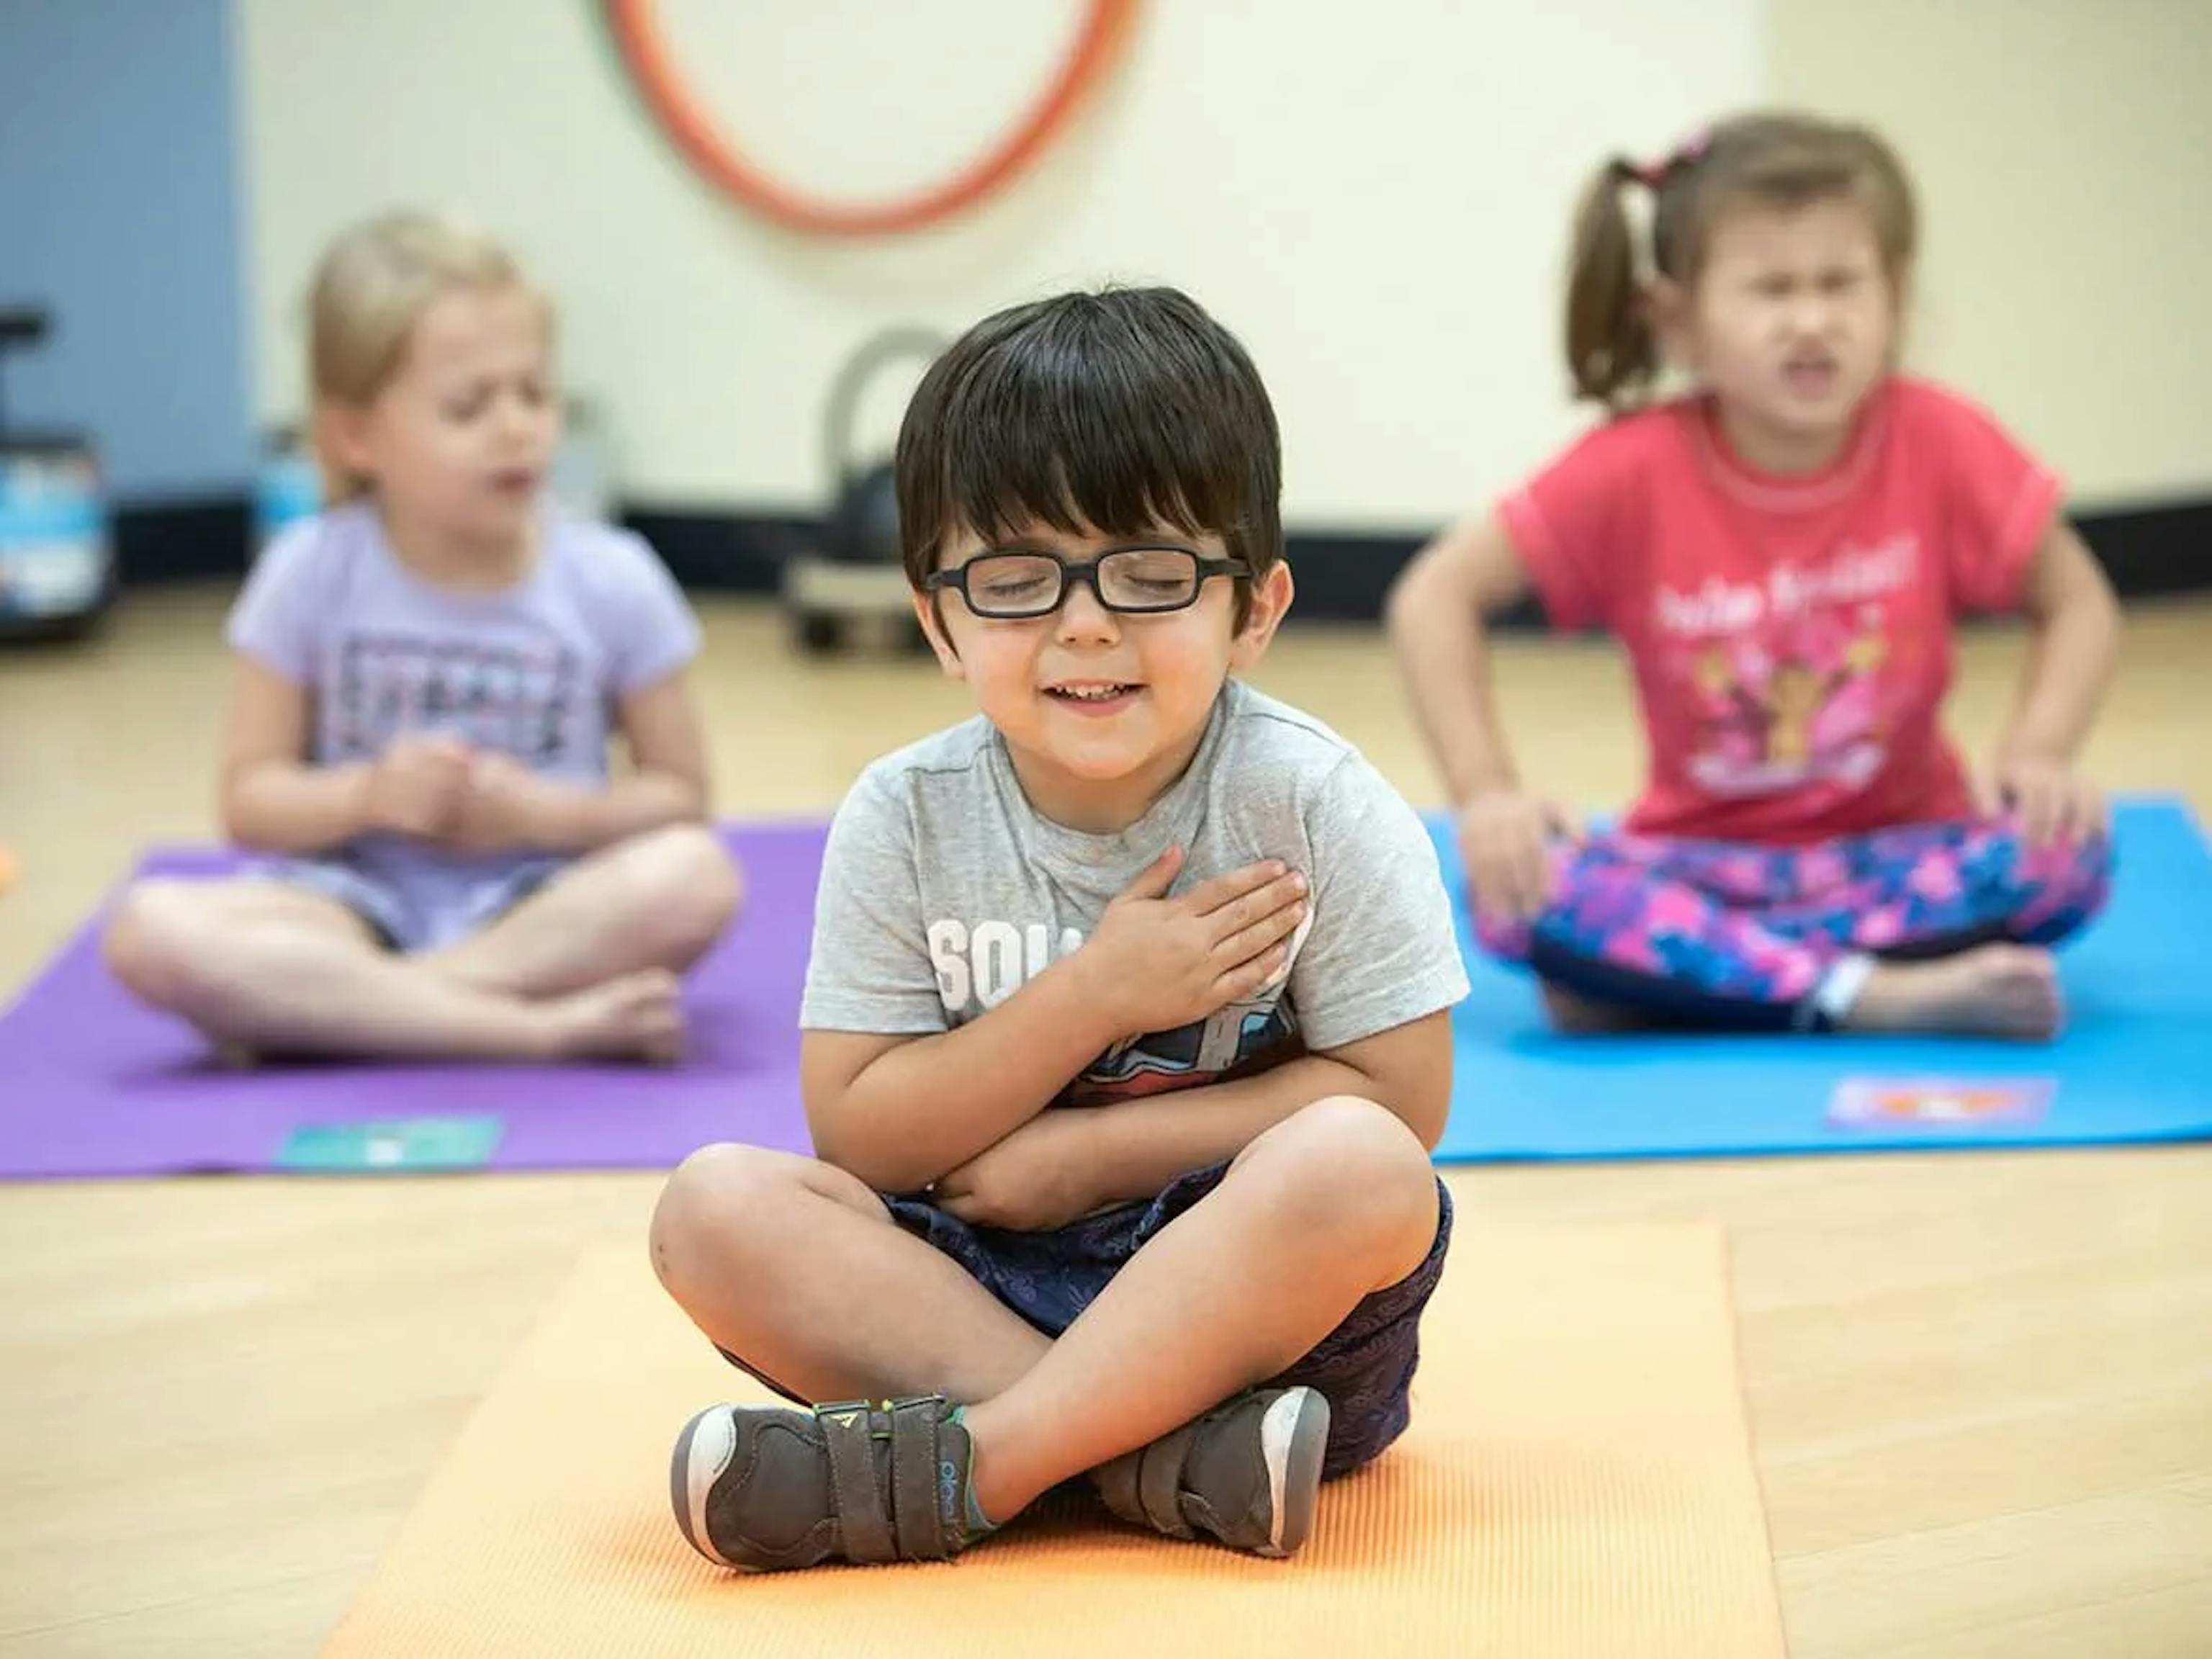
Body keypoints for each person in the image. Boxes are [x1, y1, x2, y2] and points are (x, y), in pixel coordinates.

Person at [649, 287, 1470, 1571]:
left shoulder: (1310, 798)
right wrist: (1093, 994)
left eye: (1150, 575)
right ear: (936, 619)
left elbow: (1403, 1095)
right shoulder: (904, 814)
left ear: (1252, 609)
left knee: (1365, 1167)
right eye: (1018, 579)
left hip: (1265, 1322)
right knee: (711, 1207)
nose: (1085, 622)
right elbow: (858, 1127)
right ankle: (1158, 1462)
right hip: (970, 1289)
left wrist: (1092, 1157)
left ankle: (988, 1460)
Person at [1389, 112, 2118, 1040]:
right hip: (1698, 866)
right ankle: (1872, 995)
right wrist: (1489, 793)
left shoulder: (1941, 439)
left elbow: (2078, 599)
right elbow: (1434, 597)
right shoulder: (1632, 469)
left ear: (1894, 296)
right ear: (1678, 320)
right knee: (1525, 895)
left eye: (1842, 283)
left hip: (1902, 858)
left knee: (2067, 854)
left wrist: (2040, 752)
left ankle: (1694, 978)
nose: (1813, 319)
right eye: (1772, 289)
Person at [103, 212, 739, 1064]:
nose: (518, 427)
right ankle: (524, 1031)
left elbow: (681, 797)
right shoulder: (308, 571)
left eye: (535, 393)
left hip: (539, 901)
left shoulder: (614, 577)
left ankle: (353, 1015)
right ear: (356, 436)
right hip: (346, 904)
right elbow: (249, 803)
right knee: (148, 931)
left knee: (696, 877)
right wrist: (366, 796)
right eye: (469, 406)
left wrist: (544, 814)